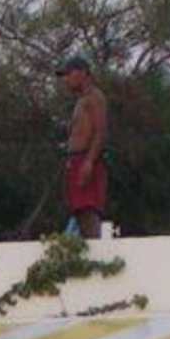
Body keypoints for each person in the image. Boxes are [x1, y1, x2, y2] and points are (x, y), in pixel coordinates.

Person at [56, 54, 109, 236]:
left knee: (87, 209)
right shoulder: (81, 100)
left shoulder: (95, 97)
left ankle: (95, 246)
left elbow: (100, 131)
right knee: (78, 210)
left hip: (86, 158)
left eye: (68, 74)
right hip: (75, 160)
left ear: (82, 73)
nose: (66, 79)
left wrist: (89, 161)